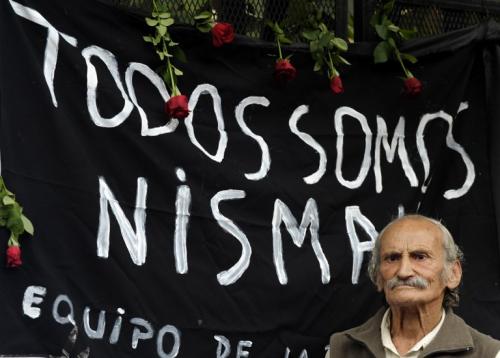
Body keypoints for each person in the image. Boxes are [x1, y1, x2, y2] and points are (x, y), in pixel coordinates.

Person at [325, 214, 500, 357]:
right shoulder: (342, 350)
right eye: (392, 258)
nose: (404, 271)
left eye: (420, 256)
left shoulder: (487, 353)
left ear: (453, 274)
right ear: (378, 277)